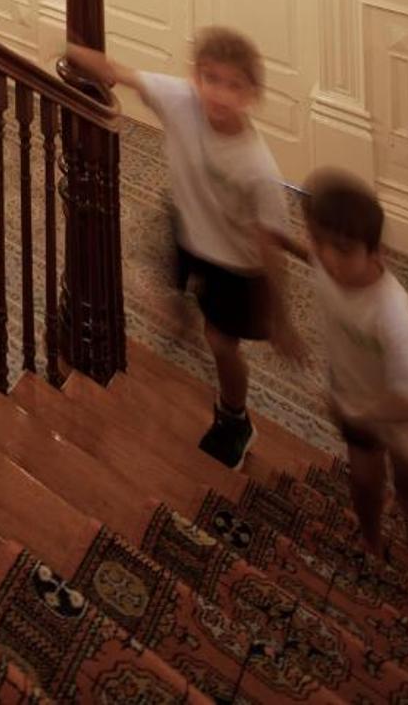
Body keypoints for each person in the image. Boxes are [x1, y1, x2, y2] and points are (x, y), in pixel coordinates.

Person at [66, 25, 300, 467]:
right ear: (195, 77)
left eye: (234, 85)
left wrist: (282, 318)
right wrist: (71, 49)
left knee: (221, 342)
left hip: (235, 264)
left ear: (252, 95)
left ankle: (235, 418)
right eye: (211, 78)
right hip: (188, 227)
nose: (220, 94)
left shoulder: (257, 168)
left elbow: (270, 246)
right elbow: (117, 71)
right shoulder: (178, 97)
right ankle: (181, 310)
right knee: (170, 274)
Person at [298, 171, 408, 553]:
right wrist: (278, 240)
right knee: (364, 482)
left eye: (342, 249)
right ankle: (371, 540)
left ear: (376, 254)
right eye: (318, 241)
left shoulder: (394, 315)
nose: (327, 258)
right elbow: (313, 252)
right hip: (358, 402)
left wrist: (361, 411)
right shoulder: (327, 264)